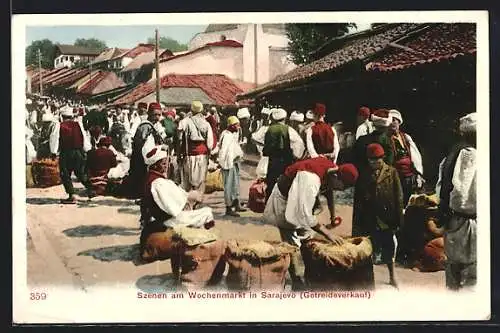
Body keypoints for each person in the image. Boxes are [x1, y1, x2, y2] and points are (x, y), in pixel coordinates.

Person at [263, 157, 359, 290]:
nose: (339, 190)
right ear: (336, 176)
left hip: (299, 195)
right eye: (340, 187)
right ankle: (296, 281)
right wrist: (328, 234)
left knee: (308, 235)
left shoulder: (332, 169)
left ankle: (311, 273)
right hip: (284, 199)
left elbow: (329, 190)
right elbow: (305, 215)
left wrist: (333, 215)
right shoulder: (310, 179)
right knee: (291, 241)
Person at [436, 112, 477, 291]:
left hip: (452, 220)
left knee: (453, 272)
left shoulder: (451, 155)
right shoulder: (471, 156)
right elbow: (462, 194)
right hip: (468, 221)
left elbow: (441, 188)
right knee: (470, 277)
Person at [354, 143, 403, 288]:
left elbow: (398, 196)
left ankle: (392, 276)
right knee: (369, 248)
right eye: (371, 160)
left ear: (383, 158)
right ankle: (370, 280)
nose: (374, 162)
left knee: (389, 247)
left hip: (387, 217)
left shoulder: (392, 172)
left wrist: (398, 219)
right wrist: (357, 223)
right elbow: (358, 200)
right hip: (370, 217)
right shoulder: (363, 174)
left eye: (377, 159)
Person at [140, 143, 216, 229]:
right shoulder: (157, 182)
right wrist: (187, 198)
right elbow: (171, 207)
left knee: (205, 211)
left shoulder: (153, 179)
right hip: (169, 220)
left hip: (168, 218)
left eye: (166, 163)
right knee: (206, 213)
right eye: (163, 163)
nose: (166, 166)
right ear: (156, 165)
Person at [49, 106, 95, 204]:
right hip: (78, 152)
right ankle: (91, 189)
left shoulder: (59, 125)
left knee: (65, 174)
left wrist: (53, 152)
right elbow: (84, 137)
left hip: (66, 152)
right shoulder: (78, 124)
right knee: (80, 172)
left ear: (62, 116)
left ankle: (72, 195)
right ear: (71, 116)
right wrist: (88, 149)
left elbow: (54, 138)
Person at [263, 108, 305, 201]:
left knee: (271, 181)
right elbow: (299, 144)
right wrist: (297, 156)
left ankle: (268, 204)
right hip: (285, 160)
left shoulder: (268, 129)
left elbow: (256, 138)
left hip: (272, 160)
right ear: (284, 118)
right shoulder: (288, 129)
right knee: (285, 182)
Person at [128, 102, 166, 200]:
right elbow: (140, 143)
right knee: (141, 176)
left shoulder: (156, 125)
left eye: (159, 115)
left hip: (150, 156)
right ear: (149, 113)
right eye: (155, 114)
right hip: (141, 156)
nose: (157, 117)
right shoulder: (145, 125)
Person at [387, 109, 424, 205]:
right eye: (391, 120)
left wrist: (418, 173)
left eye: (395, 120)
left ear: (399, 122)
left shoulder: (405, 137)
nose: (393, 122)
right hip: (395, 176)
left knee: (408, 201)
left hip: (409, 175)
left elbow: (416, 156)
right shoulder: (386, 138)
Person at [179, 101, 215, 195]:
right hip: (202, 155)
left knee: (188, 181)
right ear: (201, 110)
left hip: (190, 155)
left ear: (191, 110)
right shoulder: (206, 123)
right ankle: (196, 200)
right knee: (200, 180)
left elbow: (179, 132)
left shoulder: (186, 121)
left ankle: (190, 201)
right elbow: (210, 143)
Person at [217, 116, 246, 217]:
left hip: (235, 162)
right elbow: (223, 151)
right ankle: (228, 207)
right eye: (236, 125)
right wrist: (222, 163)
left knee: (236, 184)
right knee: (228, 186)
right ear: (231, 125)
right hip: (228, 163)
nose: (238, 127)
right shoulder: (226, 135)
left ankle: (236, 203)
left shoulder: (233, 134)